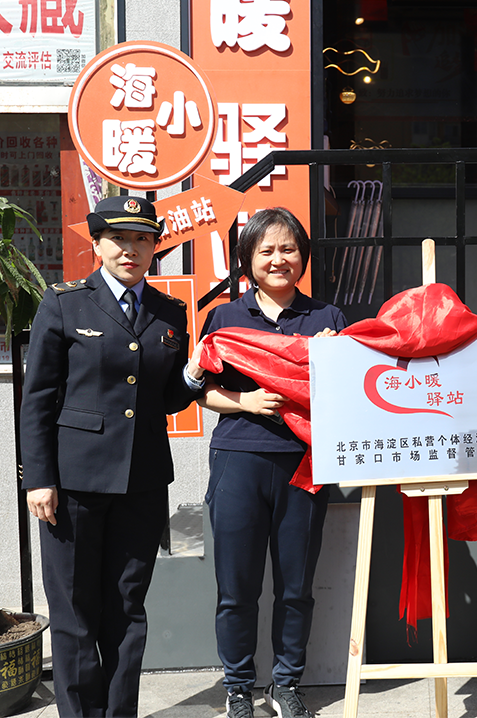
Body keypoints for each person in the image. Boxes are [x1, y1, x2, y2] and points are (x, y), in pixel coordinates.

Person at [21, 195, 204, 717]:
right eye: (119, 239)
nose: (131, 249)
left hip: (142, 483)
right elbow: (38, 399)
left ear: (154, 248)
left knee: (127, 609)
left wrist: (193, 375)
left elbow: (165, 398)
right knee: (75, 612)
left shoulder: (169, 312)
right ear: (97, 244)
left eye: (142, 239)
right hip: (72, 484)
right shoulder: (64, 303)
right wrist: (39, 478)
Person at [191, 208, 346, 718]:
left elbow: (349, 393)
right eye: (267, 251)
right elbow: (202, 390)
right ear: (248, 259)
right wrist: (246, 402)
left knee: (296, 588)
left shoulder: (327, 319)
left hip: (304, 465)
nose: (279, 259)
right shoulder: (225, 318)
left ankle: (286, 684)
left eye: (289, 249)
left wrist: (335, 359)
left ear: (303, 257)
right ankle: (238, 687)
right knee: (236, 588)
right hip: (238, 460)